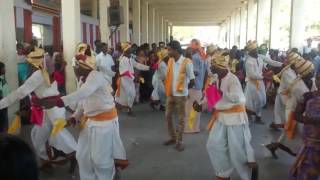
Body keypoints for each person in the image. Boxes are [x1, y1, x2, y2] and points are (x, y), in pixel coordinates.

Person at [38, 43, 128, 180]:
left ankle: (110, 176)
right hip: (90, 122)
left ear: (82, 67)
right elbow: (82, 102)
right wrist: (74, 118)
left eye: (75, 66)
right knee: (82, 155)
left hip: (104, 123)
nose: (73, 68)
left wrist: (57, 102)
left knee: (100, 160)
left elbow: (82, 93)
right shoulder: (82, 79)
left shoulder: (95, 76)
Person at [0, 45, 77, 171]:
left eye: (29, 61)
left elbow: (19, 93)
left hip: (51, 110)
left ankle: (71, 154)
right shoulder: (45, 72)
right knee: (40, 135)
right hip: (49, 110)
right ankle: (50, 160)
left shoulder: (38, 75)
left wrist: (1, 104)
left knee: (57, 135)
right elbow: (37, 94)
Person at [206, 53, 257, 180]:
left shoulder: (232, 79)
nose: (210, 69)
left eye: (213, 66)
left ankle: (248, 175)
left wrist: (222, 92)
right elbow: (213, 97)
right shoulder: (216, 78)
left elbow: (238, 98)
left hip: (235, 118)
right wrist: (201, 104)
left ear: (221, 68)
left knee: (237, 152)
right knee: (213, 145)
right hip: (221, 117)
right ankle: (223, 174)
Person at [266, 51, 301, 158]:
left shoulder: (294, 71)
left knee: (290, 130)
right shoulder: (287, 73)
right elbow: (296, 89)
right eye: (298, 62)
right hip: (286, 101)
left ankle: (274, 146)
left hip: (290, 102)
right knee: (291, 129)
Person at [163, 40, 195, 152]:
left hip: (181, 96)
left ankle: (179, 141)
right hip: (171, 94)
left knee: (181, 118)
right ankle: (173, 137)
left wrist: (185, 91)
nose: (168, 51)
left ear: (175, 50)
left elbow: (192, 80)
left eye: (169, 49)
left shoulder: (187, 62)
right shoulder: (170, 61)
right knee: (167, 116)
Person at [289, 74, 320, 180]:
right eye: (319, 79)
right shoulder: (308, 96)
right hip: (310, 144)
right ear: (315, 80)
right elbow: (296, 115)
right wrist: (311, 120)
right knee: (306, 172)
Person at [244, 41, 283, 123]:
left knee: (263, 100)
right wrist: (265, 77)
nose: (256, 51)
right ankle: (257, 116)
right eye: (254, 50)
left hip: (260, 82)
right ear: (250, 51)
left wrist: (282, 65)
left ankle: (253, 112)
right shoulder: (248, 61)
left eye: (256, 49)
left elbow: (272, 62)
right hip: (252, 83)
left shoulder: (260, 57)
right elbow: (252, 75)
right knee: (257, 100)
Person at [115, 43, 150, 115]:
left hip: (130, 80)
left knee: (131, 94)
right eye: (129, 48)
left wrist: (148, 68)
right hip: (124, 80)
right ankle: (127, 110)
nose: (131, 49)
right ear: (126, 50)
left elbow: (137, 65)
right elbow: (125, 72)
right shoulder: (122, 59)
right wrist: (134, 77)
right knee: (129, 94)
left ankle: (125, 108)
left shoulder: (130, 58)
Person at [184, 39, 208, 133]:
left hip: (193, 86)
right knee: (196, 108)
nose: (189, 49)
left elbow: (194, 74)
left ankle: (190, 129)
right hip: (199, 86)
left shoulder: (194, 58)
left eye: (190, 47)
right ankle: (195, 128)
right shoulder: (203, 57)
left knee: (190, 108)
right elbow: (205, 73)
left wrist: (184, 71)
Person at [0, 62, 10, 132]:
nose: (5, 70)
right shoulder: (0, 80)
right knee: (3, 125)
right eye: (3, 68)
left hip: (4, 104)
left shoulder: (2, 78)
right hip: (2, 105)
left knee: (4, 124)